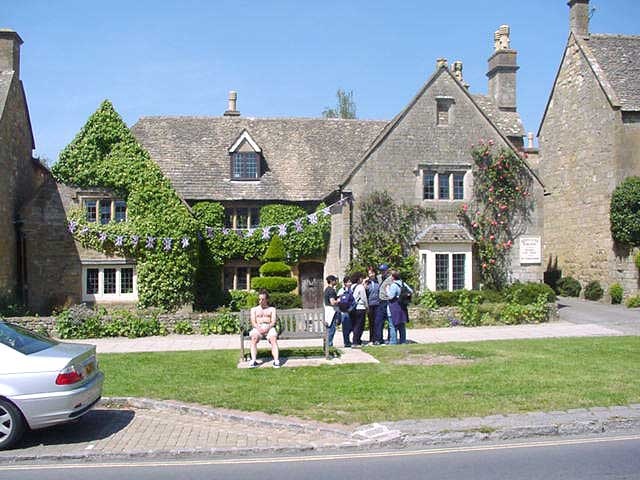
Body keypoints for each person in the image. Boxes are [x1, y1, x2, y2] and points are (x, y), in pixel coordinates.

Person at [248, 289, 280, 368]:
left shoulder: (272, 309)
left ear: (267, 299)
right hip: (258, 327)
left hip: (269, 327)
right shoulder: (254, 309)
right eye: (259, 299)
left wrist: (268, 328)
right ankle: (253, 360)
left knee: (273, 339)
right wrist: (259, 329)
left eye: (263, 299)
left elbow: (273, 322)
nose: (260, 301)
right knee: (254, 338)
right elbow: (253, 322)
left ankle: (276, 361)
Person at [387, 271, 413, 344]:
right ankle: (403, 341)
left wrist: (387, 290)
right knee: (402, 325)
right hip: (402, 307)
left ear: (393, 277)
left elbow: (391, 296)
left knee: (393, 325)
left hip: (394, 307)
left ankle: (393, 341)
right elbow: (411, 291)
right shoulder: (403, 283)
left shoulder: (394, 285)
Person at [377, 264, 396, 344]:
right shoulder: (378, 277)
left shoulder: (391, 278)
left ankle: (390, 338)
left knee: (389, 321)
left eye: (384, 271)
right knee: (379, 321)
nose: (382, 272)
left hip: (388, 301)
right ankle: (379, 339)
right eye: (381, 271)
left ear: (387, 271)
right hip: (381, 301)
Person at [336, 276, 354, 347]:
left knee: (351, 327)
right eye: (348, 282)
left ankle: (348, 340)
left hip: (351, 310)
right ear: (345, 283)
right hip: (344, 311)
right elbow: (338, 301)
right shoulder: (341, 290)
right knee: (346, 327)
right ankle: (346, 342)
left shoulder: (352, 289)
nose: (350, 283)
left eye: (350, 282)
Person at [351, 272, 368, 347]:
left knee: (355, 325)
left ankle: (355, 340)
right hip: (360, 307)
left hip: (353, 308)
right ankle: (356, 341)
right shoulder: (361, 287)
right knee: (360, 325)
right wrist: (367, 306)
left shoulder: (352, 286)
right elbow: (364, 298)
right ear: (359, 279)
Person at [365, 267, 382, 345]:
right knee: (371, 322)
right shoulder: (367, 283)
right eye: (369, 273)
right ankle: (372, 339)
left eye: (372, 273)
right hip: (370, 304)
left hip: (377, 304)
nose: (371, 275)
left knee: (377, 322)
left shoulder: (378, 281)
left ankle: (377, 339)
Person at [323, 275, 340, 347]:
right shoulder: (331, 290)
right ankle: (329, 345)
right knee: (332, 329)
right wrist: (339, 300)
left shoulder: (327, 289)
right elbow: (332, 302)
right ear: (331, 281)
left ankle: (327, 344)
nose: (336, 281)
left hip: (327, 310)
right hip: (332, 311)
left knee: (328, 329)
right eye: (335, 280)